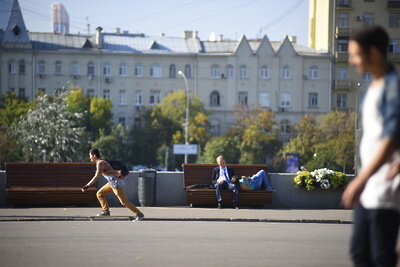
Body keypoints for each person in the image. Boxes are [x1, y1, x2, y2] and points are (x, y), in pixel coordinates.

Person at [341, 26, 400, 267]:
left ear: (374, 52)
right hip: (369, 190)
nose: (351, 60)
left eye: (355, 54)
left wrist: (361, 178)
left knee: (380, 258)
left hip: (384, 188)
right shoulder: (370, 90)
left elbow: (392, 135)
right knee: (360, 253)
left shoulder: (393, 87)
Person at [82, 148, 145, 221]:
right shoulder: (101, 162)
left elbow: (97, 176)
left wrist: (87, 185)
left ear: (94, 155)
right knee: (99, 194)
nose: (89, 157)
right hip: (111, 183)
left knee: (123, 201)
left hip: (117, 184)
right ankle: (106, 211)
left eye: (90, 155)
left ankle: (139, 214)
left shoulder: (100, 163)